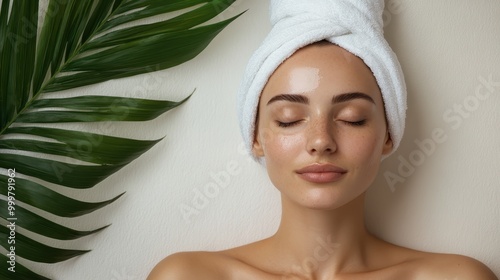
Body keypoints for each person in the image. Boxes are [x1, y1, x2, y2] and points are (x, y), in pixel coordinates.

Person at [148, 1, 498, 279]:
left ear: (388, 134)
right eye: (289, 120)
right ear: (256, 137)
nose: (321, 141)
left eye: (352, 119)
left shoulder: (456, 277)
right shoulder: (187, 276)